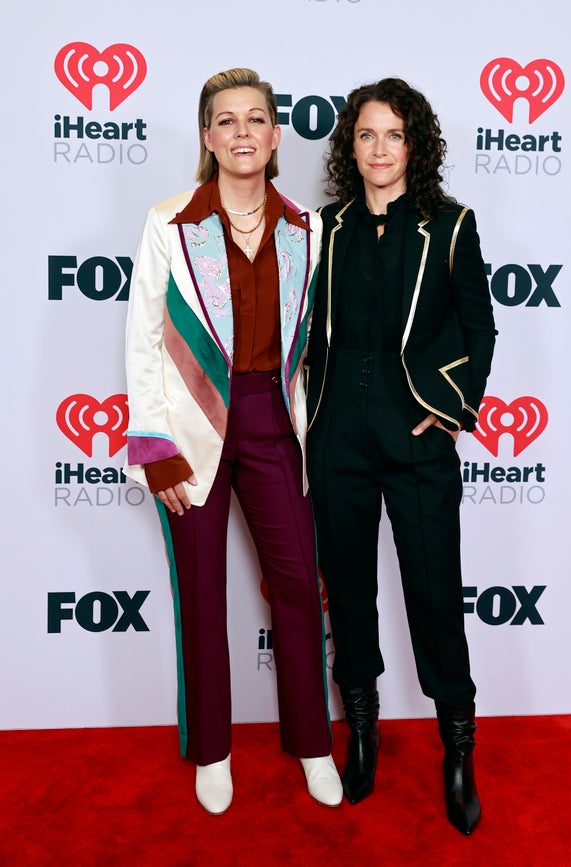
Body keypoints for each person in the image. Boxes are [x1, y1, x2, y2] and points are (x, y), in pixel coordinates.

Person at [124, 68, 342, 815]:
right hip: (191, 426)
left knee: (297, 587)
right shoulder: (170, 221)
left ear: (276, 135)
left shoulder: (309, 229)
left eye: (257, 118)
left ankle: (313, 742)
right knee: (201, 592)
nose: (242, 131)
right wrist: (155, 448)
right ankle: (211, 751)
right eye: (226, 120)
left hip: (274, 422)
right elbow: (144, 339)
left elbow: (320, 347)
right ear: (207, 136)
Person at [306, 77, 497, 835]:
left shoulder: (449, 225)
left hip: (416, 433)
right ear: (348, 147)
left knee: (433, 592)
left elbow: (479, 329)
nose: (379, 149)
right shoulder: (323, 228)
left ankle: (458, 749)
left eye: (394, 135)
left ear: (414, 144)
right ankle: (362, 731)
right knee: (348, 595)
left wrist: (449, 410)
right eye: (365, 135)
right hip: (337, 433)